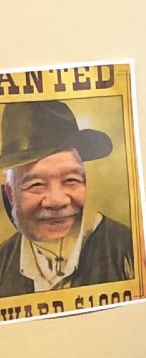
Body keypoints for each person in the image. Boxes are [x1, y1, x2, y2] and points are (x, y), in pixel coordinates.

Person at [0, 100, 134, 297]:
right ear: (11, 194)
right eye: (36, 184)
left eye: (71, 180)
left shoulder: (129, 252)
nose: (57, 200)